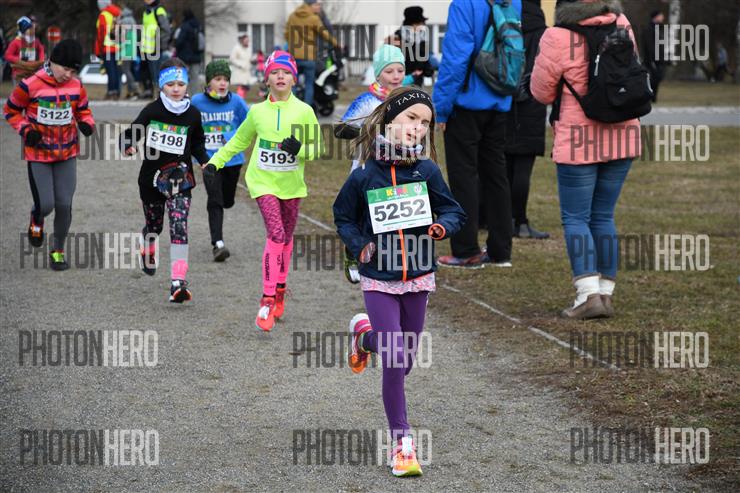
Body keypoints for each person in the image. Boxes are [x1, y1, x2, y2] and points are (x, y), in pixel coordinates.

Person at [333, 86, 465, 477]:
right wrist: (359, 245)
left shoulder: (427, 170)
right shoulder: (365, 172)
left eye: (425, 123)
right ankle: (402, 444)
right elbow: (343, 216)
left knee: (404, 360)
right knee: (394, 358)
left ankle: (364, 337)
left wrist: (443, 226)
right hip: (379, 277)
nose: (418, 128)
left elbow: (453, 210)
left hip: (419, 276)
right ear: (390, 118)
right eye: (411, 118)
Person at [531, 0, 641, 319]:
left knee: (576, 218)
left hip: (578, 139)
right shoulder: (621, 22)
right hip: (623, 132)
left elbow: (541, 92)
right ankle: (604, 294)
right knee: (603, 215)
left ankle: (587, 294)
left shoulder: (557, 35)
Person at [204, 51, 322, 331]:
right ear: (267, 79)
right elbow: (238, 141)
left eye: (286, 72)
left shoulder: (304, 111)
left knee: (287, 237)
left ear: (294, 79)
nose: (280, 76)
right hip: (262, 183)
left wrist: (300, 149)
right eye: (275, 72)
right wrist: (214, 162)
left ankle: (280, 289)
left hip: (291, 186)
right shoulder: (257, 112)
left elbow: (318, 150)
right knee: (276, 234)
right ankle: (267, 299)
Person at [433, 0, 522, 269]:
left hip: (466, 103)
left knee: (464, 177)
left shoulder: (464, 4)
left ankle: (466, 250)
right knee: (497, 176)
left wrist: (441, 108)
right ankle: (500, 250)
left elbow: (456, 58)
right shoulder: (512, 2)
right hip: (500, 100)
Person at [119, 58, 208, 303]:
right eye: (170, 84)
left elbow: (198, 143)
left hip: (181, 179)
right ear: (161, 86)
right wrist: (127, 145)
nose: (176, 89)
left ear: (187, 85)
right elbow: (131, 133)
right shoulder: (152, 111)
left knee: (179, 226)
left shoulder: (193, 114)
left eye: (180, 84)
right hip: (151, 181)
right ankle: (148, 241)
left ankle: (178, 282)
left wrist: (205, 161)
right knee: (155, 226)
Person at [3, 39, 95, 270]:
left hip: (67, 153)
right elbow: (11, 110)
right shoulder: (30, 85)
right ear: (53, 61)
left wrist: (87, 123)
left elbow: (83, 110)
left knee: (64, 205)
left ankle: (58, 251)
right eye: (65, 69)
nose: (68, 75)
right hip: (39, 154)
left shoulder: (76, 86)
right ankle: (37, 218)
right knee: (46, 205)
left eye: (73, 71)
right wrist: (26, 130)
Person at [334, 44, 407, 283]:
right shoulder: (367, 100)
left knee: (389, 216)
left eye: (400, 70)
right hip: (365, 168)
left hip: (397, 168)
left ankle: (388, 258)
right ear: (377, 74)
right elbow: (340, 129)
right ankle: (352, 253)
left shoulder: (408, 99)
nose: (396, 76)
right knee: (361, 215)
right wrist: (367, 131)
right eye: (389, 71)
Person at [192, 60, 249, 262]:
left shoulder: (237, 102)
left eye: (225, 79)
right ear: (209, 82)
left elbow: (249, 126)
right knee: (214, 199)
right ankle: (218, 244)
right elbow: (188, 124)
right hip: (209, 161)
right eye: (218, 79)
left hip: (233, 161)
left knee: (227, 201)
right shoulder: (197, 102)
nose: (223, 83)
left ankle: (225, 205)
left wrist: (231, 136)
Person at [505, 0, 549, 240]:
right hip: (533, 101)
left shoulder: (503, 23)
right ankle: (520, 221)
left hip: (503, 100)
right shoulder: (544, 33)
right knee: (523, 167)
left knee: (503, 166)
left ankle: (502, 219)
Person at [284, 0, 340, 109]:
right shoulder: (314, 18)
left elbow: (286, 33)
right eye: (317, 5)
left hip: (294, 57)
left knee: (293, 83)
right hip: (309, 57)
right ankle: (306, 109)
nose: (319, 7)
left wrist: (292, 43)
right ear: (310, 5)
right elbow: (324, 34)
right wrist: (336, 44)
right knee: (309, 84)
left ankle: (291, 108)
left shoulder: (292, 16)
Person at [396, 7, 435, 86]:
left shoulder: (421, 39)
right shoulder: (397, 39)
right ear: (412, 24)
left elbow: (424, 59)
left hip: (417, 83)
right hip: (402, 84)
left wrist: (427, 69)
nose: (423, 25)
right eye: (420, 23)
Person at [141, 0, 172, 96]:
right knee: (152, 74)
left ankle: (160, 95)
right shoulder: (146, 12)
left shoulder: (159, 11)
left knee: (157, 74)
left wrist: (159, 43)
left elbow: (166, 29)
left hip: (156, 48)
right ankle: (156, 94)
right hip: (146, 49)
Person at [4, 16, 45, 85]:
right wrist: (19, 60)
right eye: (28, 28)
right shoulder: (15, 42)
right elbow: (7, 55)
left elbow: (41, 48)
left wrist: (41, 59)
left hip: (32, 73)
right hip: (19, 73)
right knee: (20, 90)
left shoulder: (35, 41)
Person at [95, 0, 122, 100]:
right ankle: (117, 92)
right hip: (116, 46)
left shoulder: (104, 15)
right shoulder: (116, 14)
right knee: (115, 70)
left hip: (106, 47)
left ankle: (111, 92)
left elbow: (101, 33)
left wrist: (99, 47)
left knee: (110, 71)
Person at [175, 9, 203, 94]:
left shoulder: (184, 26)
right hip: (196, 57)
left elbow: (179, 41)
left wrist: (177, 49)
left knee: (183, 77)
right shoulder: (198, 26)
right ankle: (194, 96)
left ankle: (184, 95)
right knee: (195, 78)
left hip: (185, 57)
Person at [642, 10, 666, 103]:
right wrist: (651, 59)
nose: (662, 18)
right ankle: (650, 97)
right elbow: (649, 46)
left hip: (659, 59)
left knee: (657, 79)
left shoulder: (659, 28)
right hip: (652, 60)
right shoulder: (649, 29)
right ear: (655, 17)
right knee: (652, 79)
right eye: (660, 16)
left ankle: (653, 97)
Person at [118, 7, 140, 99]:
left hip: (126, 50)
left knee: (126, 71)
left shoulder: (125, 21)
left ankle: (134, 90)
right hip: (131, 49)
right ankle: (130, 91)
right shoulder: (132, 20)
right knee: (128, 70)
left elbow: (123, 37)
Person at [229, 34, 257, 99]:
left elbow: (248, 58)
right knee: (241, 87)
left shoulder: (248, 49)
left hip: (246, 72)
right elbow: (232, 59)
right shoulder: (236, 48)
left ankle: (242, 100)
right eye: (246, 40)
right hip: (239, 72)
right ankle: (239, 100)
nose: (247, 42)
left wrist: (253, 60)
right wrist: (240, 65)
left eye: (248, 40)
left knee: (246, 88)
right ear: (242, 41)